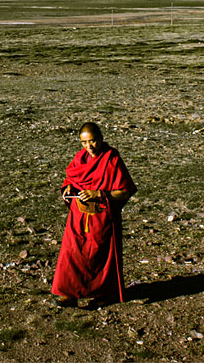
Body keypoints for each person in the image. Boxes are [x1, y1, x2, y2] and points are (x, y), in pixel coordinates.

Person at [51, 122, 137, 308]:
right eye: (84, 142)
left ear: (101, 138)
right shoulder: (80, 158)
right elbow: (71, 179)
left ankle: (106, 294)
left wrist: (99, 193)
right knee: (71, 253)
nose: (89, 146)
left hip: (102, 216)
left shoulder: (111, 159)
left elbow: (125, 191)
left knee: (101, 256)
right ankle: (70, 293)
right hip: (78, 214)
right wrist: (68, 188)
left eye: (93, 141)